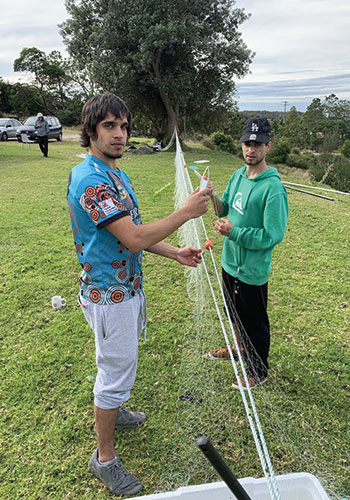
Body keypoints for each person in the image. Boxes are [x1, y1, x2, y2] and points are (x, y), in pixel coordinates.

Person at [67, 92, 211, 496]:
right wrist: (185, 213)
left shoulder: (114, 173)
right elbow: (131, 237)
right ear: (90, 131)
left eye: (124, 126)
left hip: (124, 290)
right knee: (113, 372)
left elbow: (133, 235)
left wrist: (174, 251)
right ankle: (105, 458)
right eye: (109, 126)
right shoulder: (91, 180)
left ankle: (115, 411)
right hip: (107, 297)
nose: (119, 134)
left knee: (118, 366)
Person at [208, 117, 288, 390]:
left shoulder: (273, 188)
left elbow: (273, 235)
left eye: (257, 144)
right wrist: (211, 195)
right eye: (246, 143)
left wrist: (235, 233)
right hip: (229, 262)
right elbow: (224, 209)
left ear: (268, 146)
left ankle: (258, 371)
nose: (250, 150)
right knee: (234, 314)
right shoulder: (237, 175)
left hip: (252, 271)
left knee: (254, 322)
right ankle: (239, 348)